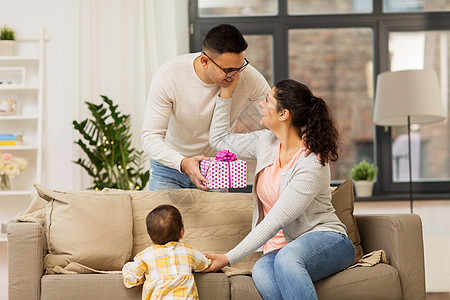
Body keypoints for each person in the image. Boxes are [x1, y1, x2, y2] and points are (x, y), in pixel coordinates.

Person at [203, 79, 355, 299]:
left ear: (284, 114)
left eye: (267, 101)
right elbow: (219, 140)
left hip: (329, 241)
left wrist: (227, 258)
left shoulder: (311, 163)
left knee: (287, 258)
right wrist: (226, 92)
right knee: (262, 270)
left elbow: (275, 220)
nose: (261, 106)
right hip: (286, 249)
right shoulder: (266, 142)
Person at [141, 23, 270, 191]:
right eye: (229, 70)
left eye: (240, 67)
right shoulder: (169, 75)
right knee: (161, 217)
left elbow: (276, 117)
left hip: (217, 166)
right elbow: (150, 137)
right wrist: (183, 163)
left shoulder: (247, 76)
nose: (237, 76)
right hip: (170, 166)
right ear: (204, 61)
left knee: (215, 218)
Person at [122, 204, 210, 300]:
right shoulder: (188, 251)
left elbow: (129, 279)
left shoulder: (145, 256)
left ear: (150, 235)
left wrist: (128, 267)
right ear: (181, 231)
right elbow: (205, 264)